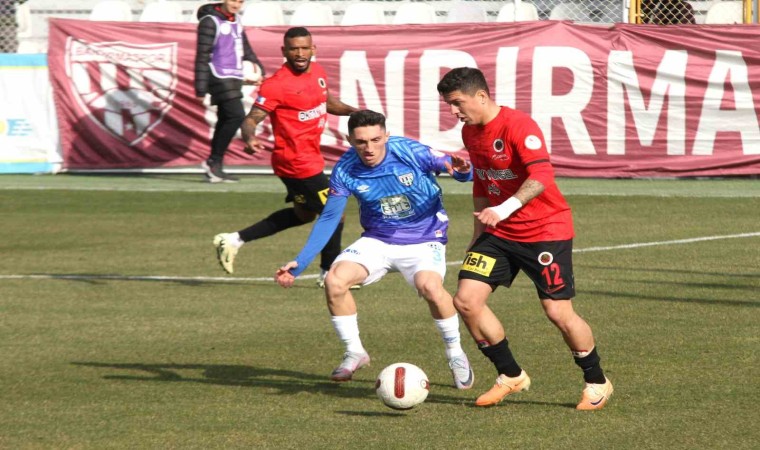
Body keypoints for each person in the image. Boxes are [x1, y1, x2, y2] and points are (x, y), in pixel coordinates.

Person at [437, 67, 613, 410]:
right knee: (466, 300)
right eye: (449, 105)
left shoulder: (518, 125)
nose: (454, 111)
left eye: (457, 103)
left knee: (558, 312)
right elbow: (482, 181)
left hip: (545, 230)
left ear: (481, 96)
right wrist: (478, 234)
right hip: (499, 232)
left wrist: (503, 209)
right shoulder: (470, 131)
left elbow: (542, 175)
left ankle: (597, 381)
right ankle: (510, 375)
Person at [274, 109, 476, 388]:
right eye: (361, 142)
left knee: (430, 287)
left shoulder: (409, 151)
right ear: (350, 140)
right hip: (378, 239)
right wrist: (302, 261)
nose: (369, 148)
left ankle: (455, 353)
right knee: (334, 280)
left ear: (386, 136)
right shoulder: (345, 169)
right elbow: (330, 217)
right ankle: (355, 352)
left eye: (375, 140)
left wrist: (464, 172)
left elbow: (459, 170)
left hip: (424, 238)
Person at [213, 27, 357, 286]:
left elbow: (327, 102)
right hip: (295, 163)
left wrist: (355, 112)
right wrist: (249, 137)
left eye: (304, 48)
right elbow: (251, 119)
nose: (300, 53)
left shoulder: (318, 72)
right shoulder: (277, 84)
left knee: (304, 215)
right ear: (284, 51)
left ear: (313, 49)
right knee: (334, 213)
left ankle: (234, 239)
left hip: (309, 158)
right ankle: (328, 273)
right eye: (294, 49)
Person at [194, 0, 265, 183]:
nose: (237, 5)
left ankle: (214, 164)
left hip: (234, 76)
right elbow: (202, 55)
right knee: (236, 115)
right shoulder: (210, 21)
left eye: (240, 1)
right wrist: (200, 87)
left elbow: (245, 49)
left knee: (226, 118)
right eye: (233, 0)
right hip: (218, 77)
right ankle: (214, 161)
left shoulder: (236, 20)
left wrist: (260, 69)